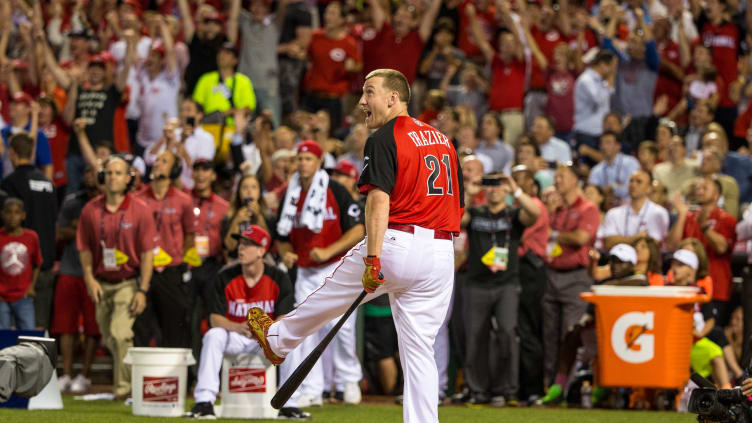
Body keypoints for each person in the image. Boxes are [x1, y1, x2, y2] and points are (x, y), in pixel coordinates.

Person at [247, 69, 463, 422]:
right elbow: (459, 206)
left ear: (393, 98)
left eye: (369, 92)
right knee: (421, 353)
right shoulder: (443, 140)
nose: (362, 102)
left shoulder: (384, 137)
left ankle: (278, 339)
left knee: (330, 292)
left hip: (398, 240)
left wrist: (374, 258)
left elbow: (379, 201)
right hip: (441, 250)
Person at [273, 140, 365, 407]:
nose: (302, 164)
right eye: (299, 159)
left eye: (308, 159)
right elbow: (282, 234)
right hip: (304, 270)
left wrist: (328, 252)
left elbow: (358, 230)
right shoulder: (290, 194)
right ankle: (311, 388)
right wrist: (286, 252)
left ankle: (348, 380)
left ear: (318, 162)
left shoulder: (335, 189)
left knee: (343, 327)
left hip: (337, 265)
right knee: (307, 328)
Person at [185, 225, 298, 419]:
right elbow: (214, 318)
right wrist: (236, 326)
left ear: (262, 250)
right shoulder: (225, 276)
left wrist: (266, 331)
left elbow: (284, 317)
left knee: (292, 339)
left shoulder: (278, 278)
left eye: (248, 244)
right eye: (240, 244)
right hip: (236, 337)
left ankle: (289, 405)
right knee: (214, 335)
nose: (240, 248)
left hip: (267, 340)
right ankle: (204, 402)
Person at [77, 154, 156, 399]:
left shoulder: (140, 210)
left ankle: (124, 389)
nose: (112, 178)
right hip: (101, 282)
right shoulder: (90, 210)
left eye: (118, 173)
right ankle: (132, 381)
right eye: (109, 173)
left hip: (127, 282)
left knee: (121, 333)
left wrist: (142, 290)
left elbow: (146, 254)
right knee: (108, 336)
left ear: (128, 179)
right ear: (102, 177)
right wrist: (89, 279)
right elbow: (85, 248)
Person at [461, 172, 541, 406]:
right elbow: (455, 220)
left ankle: (508, 390)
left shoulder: (514, 214)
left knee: (507, 333)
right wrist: (471, 193)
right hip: (477, 283)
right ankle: (477, 391)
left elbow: (535, 214)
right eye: (491, 185)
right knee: (475, 337)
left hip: (506, 283)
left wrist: (515, 189)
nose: (495, 189)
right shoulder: (475, 213)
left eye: (499, 185)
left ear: (506, 190)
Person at [541, 163, 599, 403]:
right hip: (551, 274)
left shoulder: (588, 208)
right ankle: (550, 389)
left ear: (576, 179)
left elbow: (581, 238)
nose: (558, 180)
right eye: (556, 176)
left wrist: (554, 233)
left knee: (570, 335)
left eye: (562, 176)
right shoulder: (556, 210)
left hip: (576, 277)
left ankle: (569, 390)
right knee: (550, 335)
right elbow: (541, 235)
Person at [135, 150, 197, 348]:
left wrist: (180, 258)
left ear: (175, 169)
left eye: (164, 161)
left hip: (171, 271)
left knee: (174, 326)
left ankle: (176, 377)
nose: (157, 164)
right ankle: (140, 377)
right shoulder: (137, 199)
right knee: (140, 328)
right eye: (156, 160)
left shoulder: (183, 200)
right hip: (143, 270)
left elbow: (189, 234)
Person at [51, 166, 101, 394]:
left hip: (97, 272)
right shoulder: (72, 202)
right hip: (70, 269)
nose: (90, 176)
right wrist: (82, 230)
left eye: (95, 173)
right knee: (65, 325)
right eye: (88, 172)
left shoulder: (107, 203)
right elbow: (61, 233)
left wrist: (78, 228)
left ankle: (86, 375)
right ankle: (67, 374)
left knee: (93, 327)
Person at [0, 133, 57, 331]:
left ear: (13, 154)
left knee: (10, 336)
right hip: (46, 265)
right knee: (38, 331)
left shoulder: (10, 183)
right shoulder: (48, 183)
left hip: (20, 273)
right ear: (32, 153)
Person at [667, 177, 736, 326]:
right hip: (686, 287)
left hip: (716, 287)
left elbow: (721, 247)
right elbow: (672, 246)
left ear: (717, 195)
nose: (700, 190)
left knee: (713, 333)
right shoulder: (689, 217)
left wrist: (704, 226)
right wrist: (681, 215)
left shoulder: (726, 219)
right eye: (698, 188)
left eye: (705, 188)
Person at [0, 198, 42, 330]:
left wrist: (31, 286)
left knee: (28, 337)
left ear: (23, 215)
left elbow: (37, 263)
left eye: (17, 212)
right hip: (1, 298)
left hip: (23, 297)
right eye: (8, 212)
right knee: (2, 339)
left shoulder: (31, 237)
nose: (12, 216)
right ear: (2, 214)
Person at [600, 170, 670, 249]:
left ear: (649, 188)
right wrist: (637, 237)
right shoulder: (613, 213)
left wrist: (620, 240)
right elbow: (608, 243)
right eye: (631, 181)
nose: (633, 184)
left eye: (639, 182)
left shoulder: (659, 212)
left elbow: (652, 244)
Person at [573, 50, 616, 162]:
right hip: (586, 134)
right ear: (602, 64)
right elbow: (598, 99)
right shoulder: (586, 80)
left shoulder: (601, 82)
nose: (613, 71)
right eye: (612, 67)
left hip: (598, 134)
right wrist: (610, 82)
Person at [0, 93, 53, 180]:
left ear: (28, 109)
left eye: (17, 104)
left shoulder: (38, 134)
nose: (12, 106)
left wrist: (48, 187)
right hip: (7, 185)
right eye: (12, 103)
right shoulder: (3, 132)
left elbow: (47, 165)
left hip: (29, 184)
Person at [587, 131, 641, 199]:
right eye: (602, 143)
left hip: (629, 205)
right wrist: (619, 186)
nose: (604, 146)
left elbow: (636, 187)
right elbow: (591, 192)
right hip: (606, 207)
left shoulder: (631, 162)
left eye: (608, 143)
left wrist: (612, 188)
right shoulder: (596, 170)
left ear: (618, 146)